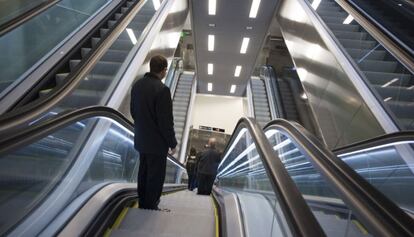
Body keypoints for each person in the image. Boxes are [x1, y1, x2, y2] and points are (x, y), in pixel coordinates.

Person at [130, 55, 177, 210]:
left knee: (143, 172)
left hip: (141, 139)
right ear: (163, 70)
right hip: (157, 144)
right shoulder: (162, 90)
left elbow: (133, 111)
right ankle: (150, 206)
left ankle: (142, 202)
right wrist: (172, 143)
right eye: (165, 70)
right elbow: (165, 121)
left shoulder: (137, 85)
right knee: (155, 176)